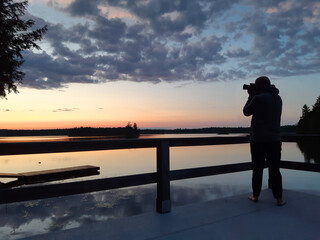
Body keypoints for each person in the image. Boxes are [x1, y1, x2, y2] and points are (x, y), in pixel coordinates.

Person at [243, 76, 286, 206]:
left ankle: (255, 195)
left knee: (257, 169)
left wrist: (250, 96)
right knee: (275, 169)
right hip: (275, 139)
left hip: (258, 140)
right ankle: (279, 198)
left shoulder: (258, 98)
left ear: (260, 86)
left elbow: (246, 111)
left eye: (256, 85)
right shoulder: (278, 98)